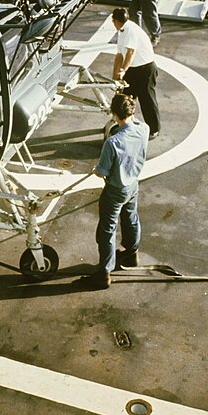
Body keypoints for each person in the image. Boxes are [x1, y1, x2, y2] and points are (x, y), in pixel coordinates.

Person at [74, 93, 149, 289]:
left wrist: (95, 170)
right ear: (132, 111)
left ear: (114, 114)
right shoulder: (144, 130)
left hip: (115, 189)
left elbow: (102, 171)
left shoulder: (113, 142)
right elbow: (137, 122)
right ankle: (132, 253)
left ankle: (104, 272)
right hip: (133, 185)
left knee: (107, 230)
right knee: (131, 218)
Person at [111, 7, 161, 139]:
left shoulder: (131, 30)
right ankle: (125, 124)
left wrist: (122, 71)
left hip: (145, 69)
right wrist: (115, 74)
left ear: (114, 21)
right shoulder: (122, 31)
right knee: (125, 99)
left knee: (147, 100)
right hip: (133, 69)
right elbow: (119, 55)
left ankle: (154, 129)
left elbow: (130, 52)